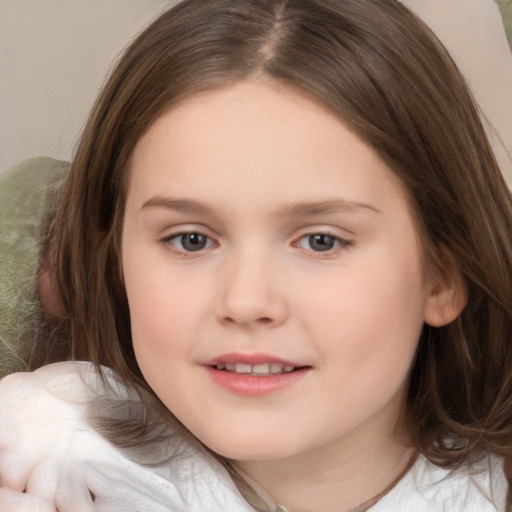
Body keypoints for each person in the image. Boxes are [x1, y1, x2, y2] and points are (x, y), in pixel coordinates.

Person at [1, 0, 512, 510]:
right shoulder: (37, 452)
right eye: (191, 239)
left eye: (321, 241)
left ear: (442, 276)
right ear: (116, 265)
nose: (246, 301)